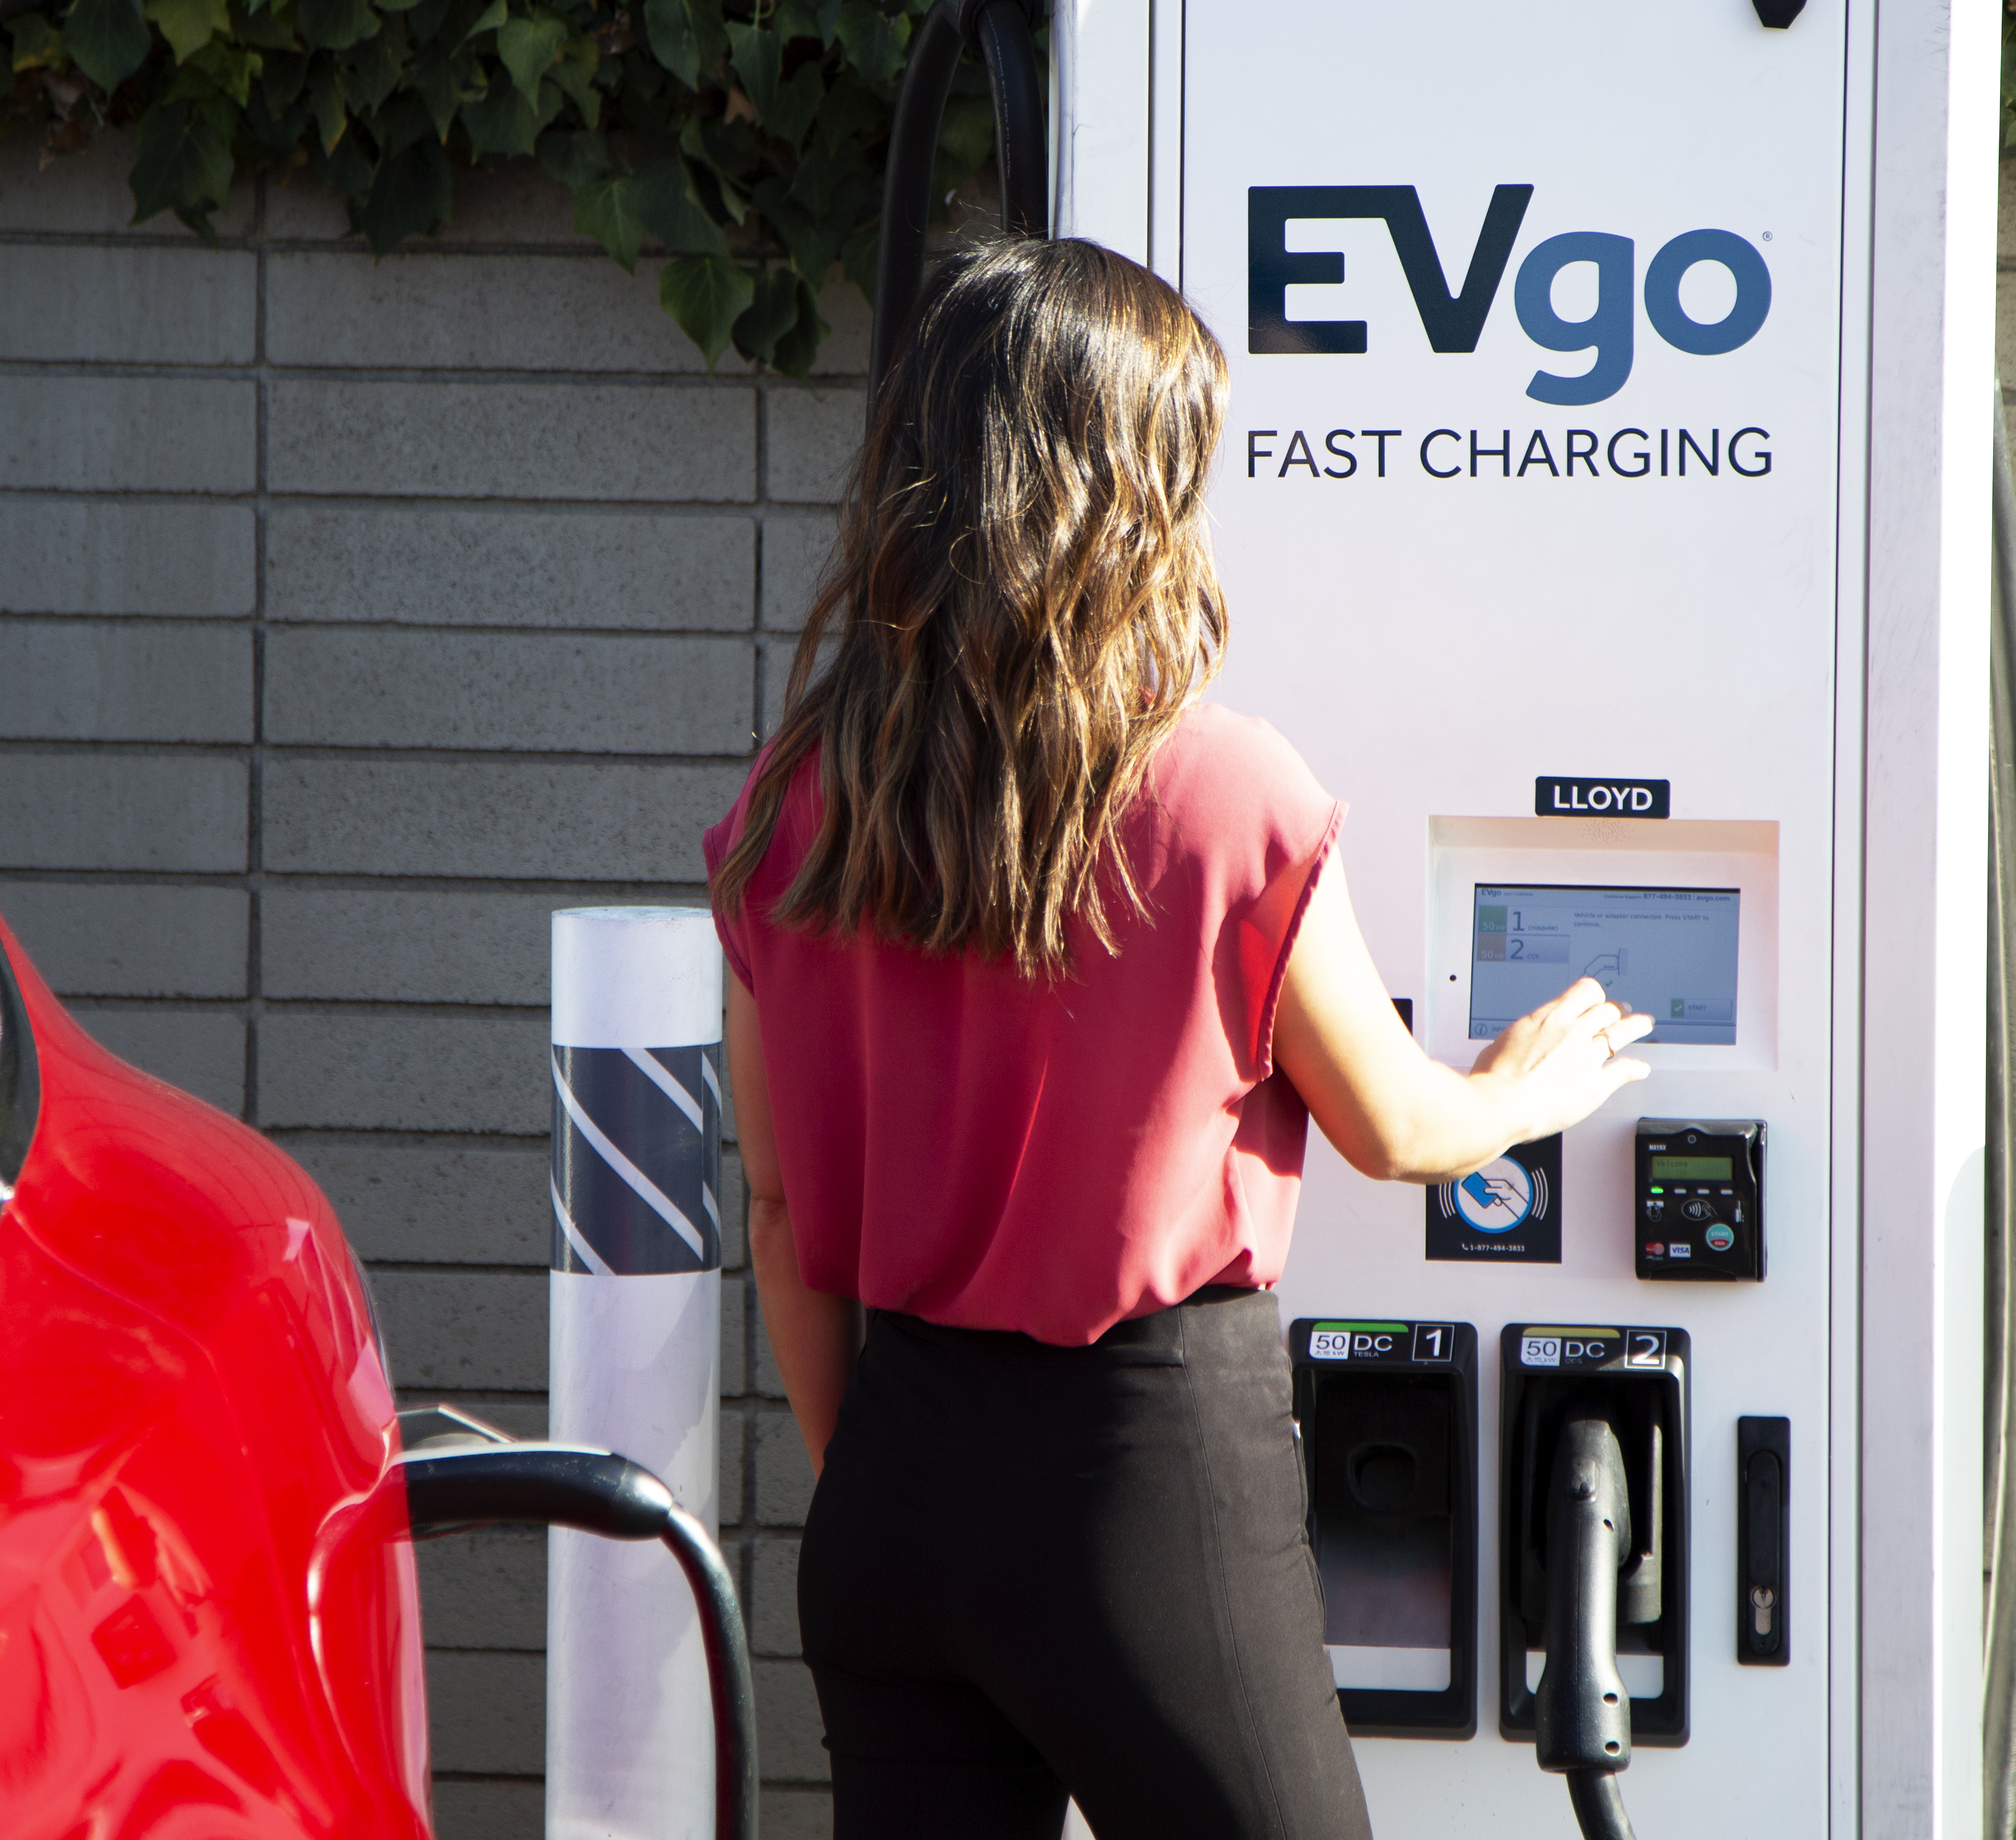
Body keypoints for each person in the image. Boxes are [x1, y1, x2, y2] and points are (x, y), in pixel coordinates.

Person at [704, 238, 1651, 1840]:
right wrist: (1525, 1081)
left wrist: (875, 1480)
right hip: (1141, 1478)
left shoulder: (793, 807)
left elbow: (786, 1213)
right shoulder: (1224, 793)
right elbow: (1395, 1131)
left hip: (895, 1488)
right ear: (1128, 497)